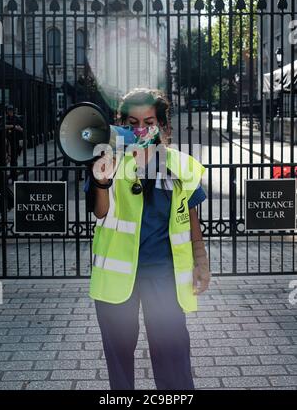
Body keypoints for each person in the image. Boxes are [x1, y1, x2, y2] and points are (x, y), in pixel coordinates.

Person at [84, 88, 211, 390]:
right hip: (116, 280)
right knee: (118, 360)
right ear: (122, 126)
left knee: (173, 356)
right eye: (132, 122)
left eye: (149, 121)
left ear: (164, 125)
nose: (140, 129)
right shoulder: (110, 161)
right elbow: (100, 212)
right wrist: (101, 180)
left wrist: (202, 261)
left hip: (164, 276)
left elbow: (192, 219)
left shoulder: (181, 165)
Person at [5, 104, 23, 183]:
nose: (10, 112)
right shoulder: (5, 118)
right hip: (6, 142)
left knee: (14, 162)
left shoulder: (17, 119)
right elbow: (3, 126)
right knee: (5, 161)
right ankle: (5, 179)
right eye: (9, 110)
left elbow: (22, 129)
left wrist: (18, 128)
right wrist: (13, 126)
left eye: (11, 110)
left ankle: (14, 179)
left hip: (15, 142)